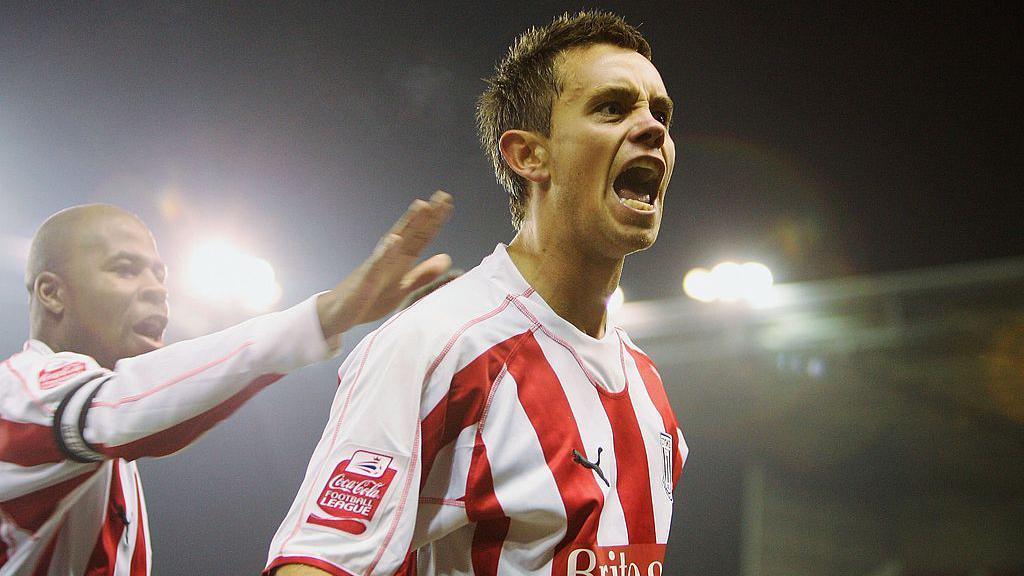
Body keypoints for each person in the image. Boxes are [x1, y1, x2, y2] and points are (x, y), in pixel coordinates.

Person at [265, 11, 685, 576]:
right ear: (529, 156)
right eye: (612, 107)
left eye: (660, 112)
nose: (653, 128)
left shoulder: (648, 388)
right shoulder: (440, 346)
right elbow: (314, 564)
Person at [0, 193, 453, 575]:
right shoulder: (22, 393)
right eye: (125, 269)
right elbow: (125, 404)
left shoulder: (90, 438)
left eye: (159, 274)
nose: (157, 289)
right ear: (52, 292)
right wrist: (325, 316)